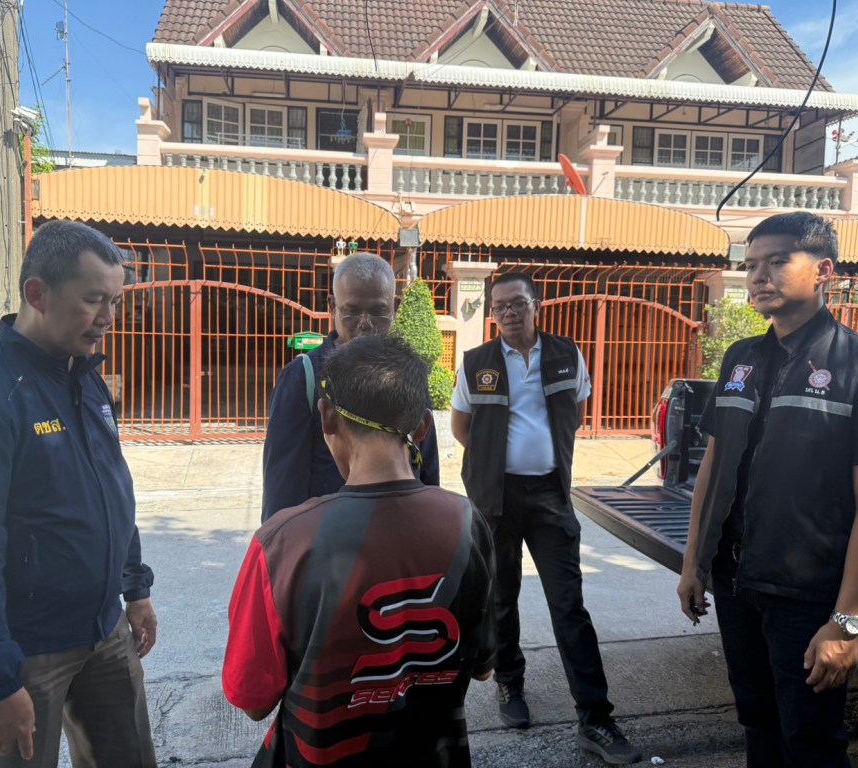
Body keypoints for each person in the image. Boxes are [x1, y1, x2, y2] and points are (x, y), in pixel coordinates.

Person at [676, 212, 858, 767]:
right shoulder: (740, 359)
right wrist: (694, 564)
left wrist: (847, 622)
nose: (759, 276)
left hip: (807, 597)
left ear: (823, 270)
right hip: (736, 583)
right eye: (751, 265)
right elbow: (713, 467)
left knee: (811, 743)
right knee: (757, 724)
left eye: (778, 261)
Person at [0, 220, 158, 767]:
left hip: (103, 630)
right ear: (37, 294)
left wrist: (135, 586)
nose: (109, 317)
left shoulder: (84, 377)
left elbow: (111, 488)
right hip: (23, 651)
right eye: (93, 299)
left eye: (115, 301)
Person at [224, 334, 496, 767]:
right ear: (423, 427)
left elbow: (253, 701)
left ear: (326, 417)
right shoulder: (467, 523)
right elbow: (483, 667)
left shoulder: (282, 544)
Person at [451, 273, 641, 765]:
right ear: (492, 313)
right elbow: (461, 427)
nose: (508, 312)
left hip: (551, 496)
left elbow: (575, 409)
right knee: (501, 597)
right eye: (499, 306)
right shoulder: (476, 363)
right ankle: (510, 684)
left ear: (535, 305)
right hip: (497, 498)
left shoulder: (566, 354)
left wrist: (541, 454)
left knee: (568, 605)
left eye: (517, 303)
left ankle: (595, 717)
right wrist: (495, 465)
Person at [261, 252, 440, 522]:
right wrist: (281, 541)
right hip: (328, 536)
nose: (365, 324)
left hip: (401, 531)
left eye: (378, 312)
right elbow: (282, 485)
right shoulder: (304, 378)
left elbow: (426, 468)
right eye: (352, 311)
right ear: (333, 307)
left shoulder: (408, 373)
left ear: (394, 307)